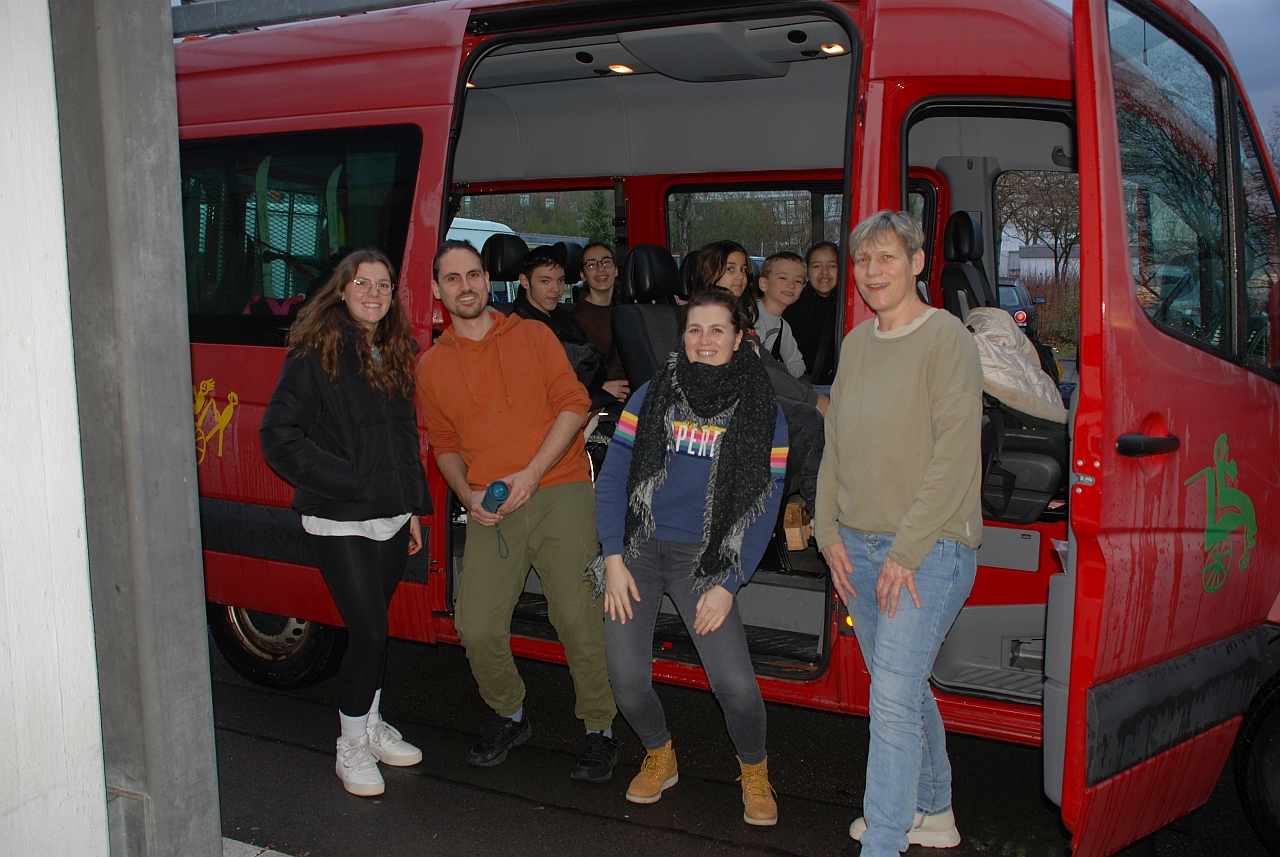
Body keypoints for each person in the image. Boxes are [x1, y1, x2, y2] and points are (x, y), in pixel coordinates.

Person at [416, 239, 619, 782]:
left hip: (559, 486)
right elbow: (445, 446)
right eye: (452, 278)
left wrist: (531, 474)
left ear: (488, 280)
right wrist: (467, 495)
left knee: (576, 614)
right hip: (493, 505)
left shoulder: (532, 335)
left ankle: (600, 727)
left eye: (473, 275)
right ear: (437, 290)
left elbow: (575, 405)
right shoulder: (431, 367)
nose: (465, 287)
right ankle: (510, 713)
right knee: (476, 625)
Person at [815, 211, 982, 855]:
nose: (873, 272)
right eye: (864, 261)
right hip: (856, 547)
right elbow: (835, 445)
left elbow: (953, 458)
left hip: (930, 548)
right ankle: (932, 809)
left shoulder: (946, 339)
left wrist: (906, 552)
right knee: (900, 686)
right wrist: (828, 533)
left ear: (917, 263)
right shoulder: (858, 343)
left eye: (888, 257)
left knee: (889, 694)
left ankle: (884, 838)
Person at [590, 287, 788, 825]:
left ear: (738, 338)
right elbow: (613, 479)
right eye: (694, 330)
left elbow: (764, 506)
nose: (704, 340)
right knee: (626, 679)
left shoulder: (762, 409)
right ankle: (660, 753)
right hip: (638, 549)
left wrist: (728, 582)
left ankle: (754, 769)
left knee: (736, 686)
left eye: (717, 329)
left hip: (704, 557)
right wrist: (612, 558)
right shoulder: (651, 394)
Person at [259, 248, 429, 797]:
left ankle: (370, 724)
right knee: (369, 630)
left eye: (384, 285)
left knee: (375, 630)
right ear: (342, 289)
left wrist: (410, 507)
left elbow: (403, 435)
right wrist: (345, 480)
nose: (374, 293)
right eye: (363, 283)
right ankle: (350, 746)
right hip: (340, 515)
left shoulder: (394, 348)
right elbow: (277, 435)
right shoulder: (317, 349)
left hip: (389, 512)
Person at [693, 240, 826, 518]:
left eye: (743, 269)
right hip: (729, 406)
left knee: (811, 405)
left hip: (751, 396)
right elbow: (754, 371)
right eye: (730, 269)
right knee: (808, 418)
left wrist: (805, 391)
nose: (740, 276)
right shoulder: (707, 315)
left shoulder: (738, 316)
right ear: (709, 271)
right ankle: (820, 511)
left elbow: (767, 362)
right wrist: (810, 399)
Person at [511, 244, 616, 405]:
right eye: (545, 281)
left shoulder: (563, 317)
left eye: (560, 281)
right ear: (525, 281)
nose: (556, 289)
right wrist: (599, 389)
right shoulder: (520, 327)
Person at [572, 242, 630, 403]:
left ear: (615, 270)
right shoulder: (577, 320)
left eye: (606, 262)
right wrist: (599, 389)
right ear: (583, 275)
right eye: (591, 265)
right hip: (612, 401)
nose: (600, 269)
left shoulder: (628, 312)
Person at [784, 241, 840, 389]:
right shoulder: (793, 304)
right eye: (817, 266)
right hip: (804, 386)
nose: (825, 272)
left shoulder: (848, 304)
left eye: (832, 266)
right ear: (807, 274)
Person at [753, 251, 808, 378]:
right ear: (764, 284)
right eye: (783, 278)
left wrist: (784, 373)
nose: (791, 285)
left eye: (798, 281)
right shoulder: (749, 317)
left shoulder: (783, 327)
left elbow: (798, 363)